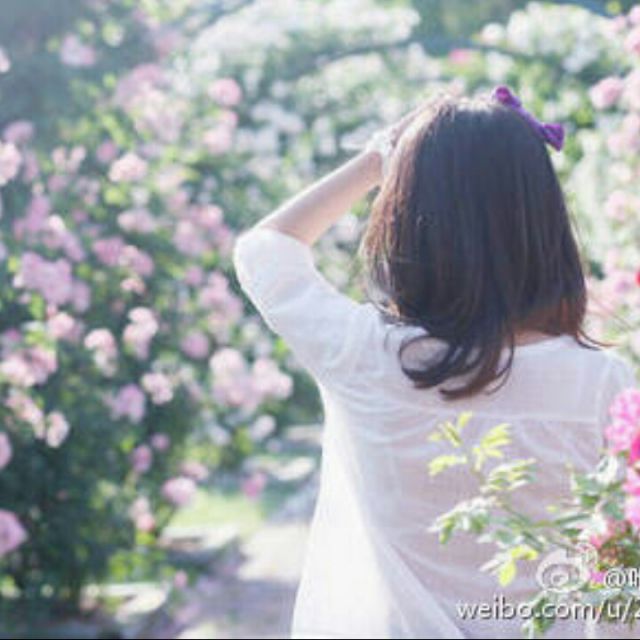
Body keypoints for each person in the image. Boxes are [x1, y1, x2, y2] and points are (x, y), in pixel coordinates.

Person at [232, 86, 637, 639]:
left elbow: (265, 251)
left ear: (405, 216)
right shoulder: (600, 385)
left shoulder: (365, 358)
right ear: (543, 219)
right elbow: (622, 581)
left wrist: (378, 158)